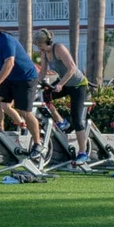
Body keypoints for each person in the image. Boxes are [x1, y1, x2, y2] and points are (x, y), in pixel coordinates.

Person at [0, 17, 42, 155]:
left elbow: (9, 63)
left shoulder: (6, 40)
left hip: (25, 78)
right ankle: (1, 136)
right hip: (9, 78)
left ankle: (37, 144)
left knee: (25, 113)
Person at [35, 30, 92, 162]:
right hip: (65, 83)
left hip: (78, 84)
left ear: (48, 42)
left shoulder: (59, 48)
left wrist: (60, 84)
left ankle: (83, 153)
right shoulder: (44, 53)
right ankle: (62, 122)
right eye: (37, 46)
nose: (39, 48)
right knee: (45, 96)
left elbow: (72, 68)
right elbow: (43, 72)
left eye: (41, 45)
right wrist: (34, 84)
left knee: (77, 118)